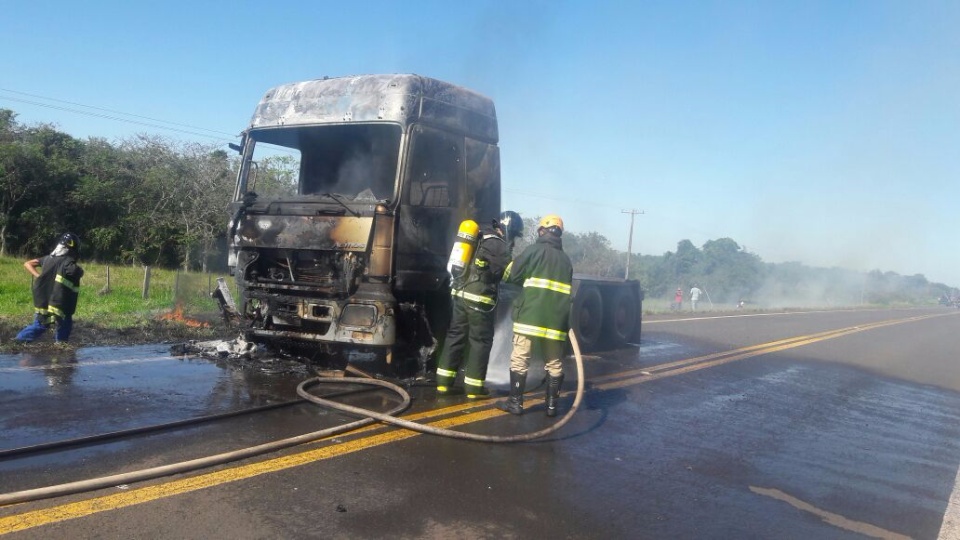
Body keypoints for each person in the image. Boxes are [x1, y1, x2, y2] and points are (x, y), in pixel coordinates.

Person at [436, 211, 523, 398]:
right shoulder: (499, 246)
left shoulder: (479, 237)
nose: (514, 240)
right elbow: (509, 275)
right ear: (509, 230)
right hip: (480, 301)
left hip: (459, 296)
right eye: (515, 235)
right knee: (480, 342)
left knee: (455, 336)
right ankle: (474, 389)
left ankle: (443, 383)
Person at [497, 214, 573, 417]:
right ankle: (551, 407)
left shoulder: (533, 251)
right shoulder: (566, 261)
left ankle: (515, 403)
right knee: (554, 363)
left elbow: (511, 276)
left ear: (542, 231)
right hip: (556, 322)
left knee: (520, 359)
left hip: (529, 318)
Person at [15, 233, 84, 343]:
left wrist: (39, 276)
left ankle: (19, 340)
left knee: (40, 324)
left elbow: (28, 263)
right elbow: (76, 272)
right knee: (65, 323)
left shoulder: (47, 259)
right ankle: (61, 344)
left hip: (43, 299)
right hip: (59, 302)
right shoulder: (67, 262)